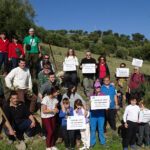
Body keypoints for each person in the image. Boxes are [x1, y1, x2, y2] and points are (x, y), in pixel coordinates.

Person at [89, 82, 106, 147]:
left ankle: (102, 141)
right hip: (93, 114)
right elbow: (91, 104)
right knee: (93, 129)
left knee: (101, 129)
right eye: (97, 87)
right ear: (94, 88)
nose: (98, 88)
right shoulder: (91, 95)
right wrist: (90, 101)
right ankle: (92, 143)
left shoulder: (103, 94)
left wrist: (108, 102)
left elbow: (105, 102)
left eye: (99, 87)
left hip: (101, 114)